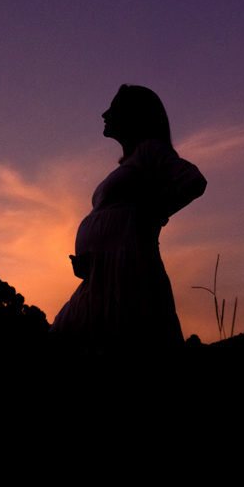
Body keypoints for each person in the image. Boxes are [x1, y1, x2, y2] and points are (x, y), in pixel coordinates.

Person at [50, 85, 206, 347]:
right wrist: (92, 260)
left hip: (127, 268)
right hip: (100, 275)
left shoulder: (149, 150)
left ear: (133, 114)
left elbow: (192, 180)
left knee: (128, 345)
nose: (104, 113)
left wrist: (151, 217)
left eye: (113, 107)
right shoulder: (128, 165)